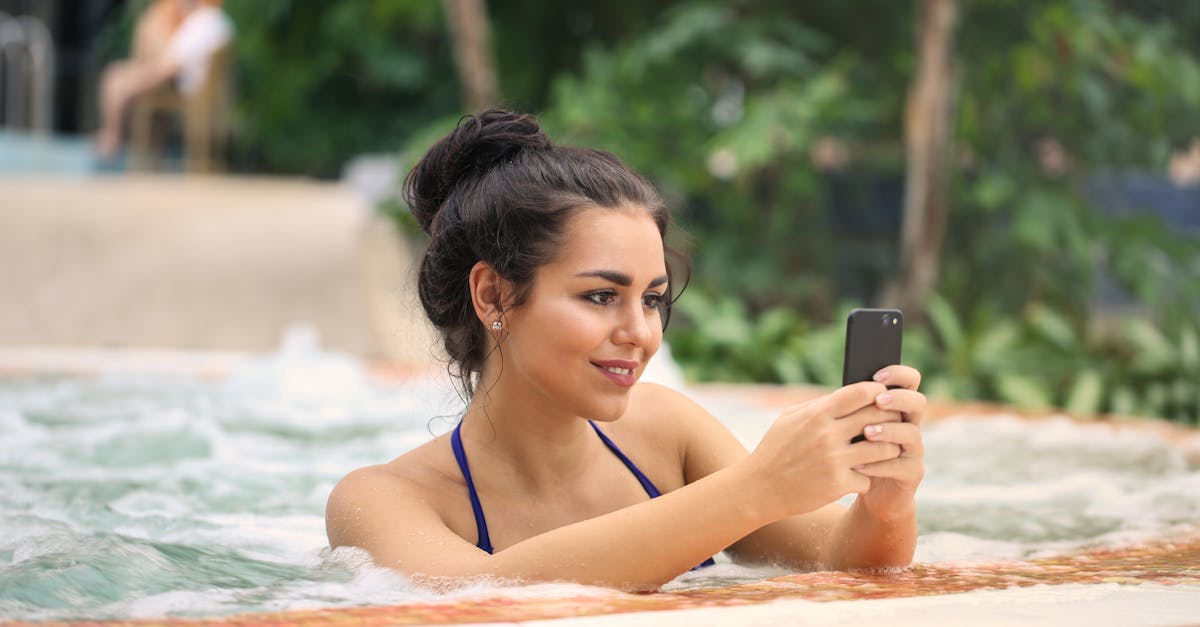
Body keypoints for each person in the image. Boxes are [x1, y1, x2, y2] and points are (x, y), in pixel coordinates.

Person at [325, 109, 927, 590]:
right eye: (600, 296)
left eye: (653, 299)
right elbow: (479, 598)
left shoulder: (669, 433)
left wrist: (885, 506)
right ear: (493, 295)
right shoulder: (381, 500)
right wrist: (758, 486)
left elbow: (846, 563)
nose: (641, 332)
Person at [95, 0, 233, 158]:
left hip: (186, 88)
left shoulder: (202, 23)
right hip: (192, 85)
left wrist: (134, 80)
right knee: (117, 76)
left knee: (116, 80)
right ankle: (111, 136)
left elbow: (171, 67)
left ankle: (111, 139)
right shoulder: (216, 21)